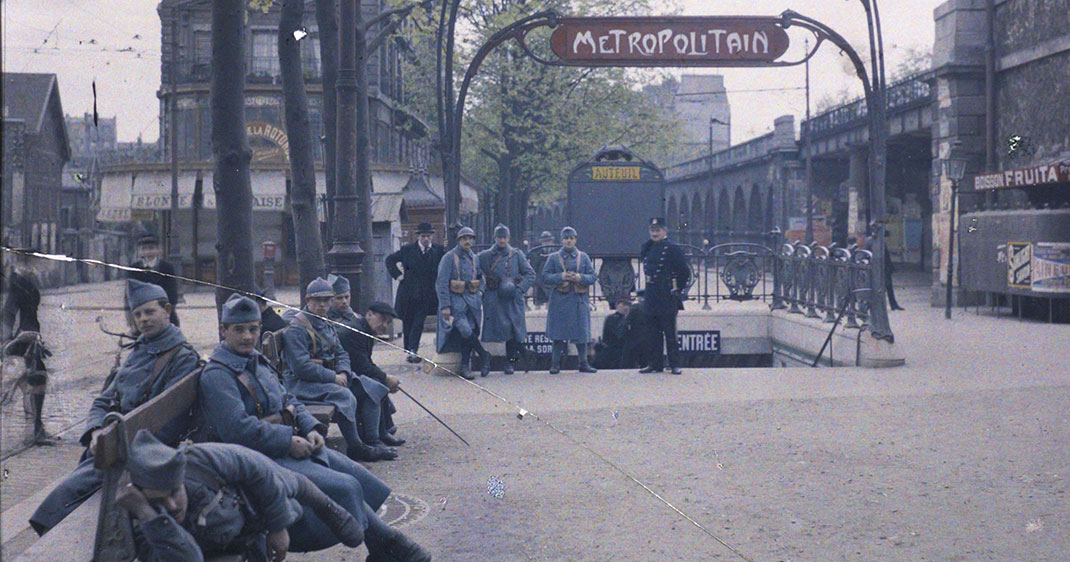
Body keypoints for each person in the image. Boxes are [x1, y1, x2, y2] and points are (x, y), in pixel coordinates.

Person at [195, 293, 430, 561]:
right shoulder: (218, 374)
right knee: (345, 486)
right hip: (254, 457)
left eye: (253, 329)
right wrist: (288, 441)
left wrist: (311, 428)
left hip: (278, 444)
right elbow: (237, 430)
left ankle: (388, 546)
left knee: (355, 473)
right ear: (223, 331)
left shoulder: (254, 360)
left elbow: (287, 398)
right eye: (239, 330)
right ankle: (391, 545)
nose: (248, 336)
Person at [30, 279, 201, 535]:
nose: (143, 320)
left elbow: (169, 423)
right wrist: (96, 431)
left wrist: (116, 443)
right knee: (65, 496)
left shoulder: (181, 357)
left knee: (66, 497)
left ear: (167, 311)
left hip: (139, 452)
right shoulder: (141, 349)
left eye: (150, 312)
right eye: (138, 314)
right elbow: (103, 400)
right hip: (112, 444)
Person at [117, 429, 365, 561]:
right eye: (158, 500)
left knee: (285, 481)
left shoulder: (199, 460)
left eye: (174, 492)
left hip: (246, 502)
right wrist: (152, 517)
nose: (170, 505)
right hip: (232, 531)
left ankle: (324, 504)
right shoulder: (143, 517)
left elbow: (255, 467)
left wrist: (278, 527)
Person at [280, 278, 396, 462]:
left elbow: (341, 353)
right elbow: (301, 367)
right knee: (344, 396)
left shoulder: (324, 322)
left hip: (326, 378)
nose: (322, 305)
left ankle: (373, 441)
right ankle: (356, 447)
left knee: (373, 387)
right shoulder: (297, 328)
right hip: (301, 384)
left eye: (326, 300)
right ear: (308, 300)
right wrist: (332, 377)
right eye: (317, 301)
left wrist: (343, 372)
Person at [328, 275, 406, 448]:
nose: (385, 326)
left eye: (388, 322)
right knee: (374, 386)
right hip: (335, 375)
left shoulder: (363, 327)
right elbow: (362, 365)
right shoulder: (355, 330)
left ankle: (383, 432)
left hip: (346, 372)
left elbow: (365, 363)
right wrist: (386, 378)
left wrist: (384, 377)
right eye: (382, 320)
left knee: (377, 381)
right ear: (369, 314)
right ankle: (373, 439)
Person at [477, 224, 536, 375]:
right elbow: (474, 267)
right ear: (495, 238)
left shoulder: (516, 254)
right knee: (504, 331)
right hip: (495, 299)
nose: (502, 240)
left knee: (513, 331)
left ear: (508, 238)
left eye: (504, 237)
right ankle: (524, 354)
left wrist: (520, 289)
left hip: (512, 298)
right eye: (499, 237)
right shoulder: (485, 256)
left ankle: (511, 363)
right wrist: (482, 286)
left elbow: (530, 274)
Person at [435, 226, 490, 379]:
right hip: (455, 303)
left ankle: (466, 367)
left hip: (472, 303)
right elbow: (441, 283)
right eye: (464, 238)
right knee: (465, 330)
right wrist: (445, 305)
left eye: (470, 238)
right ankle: (484, 355)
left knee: (469, 332)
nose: (467, 241)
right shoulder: (449, 257)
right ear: (459, 240)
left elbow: (481, 278)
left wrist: (480, 292)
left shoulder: (474, 258)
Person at [541, 226, 597, 374]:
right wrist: (562, 277)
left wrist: (580, 277)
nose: (569, 241)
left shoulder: (583, 257)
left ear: (575, 240)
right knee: (558, 335)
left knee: (582, 334)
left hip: (579, 299)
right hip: (560, 300)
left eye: (571, 238)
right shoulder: (553, 258)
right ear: (562, 240)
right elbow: (545, 277)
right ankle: (555, 364)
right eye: (566, 238)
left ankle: (583, 363)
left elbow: (593, 277)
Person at [386, 222, 445, 363]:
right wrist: (398, 276)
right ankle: (409, 349)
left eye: (428, 236)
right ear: (418, 236)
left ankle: (413, 350)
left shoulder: (438, 251)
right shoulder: (408, 250)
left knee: (418, 322)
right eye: (423, 236)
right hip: (408, 293)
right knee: (408, 321)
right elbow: (389, 260)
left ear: (432, 236)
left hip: (426, 295)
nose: (426, 239)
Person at [639, 217, 691, 375]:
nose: (654, 233)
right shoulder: (647, 247)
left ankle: (674, 364)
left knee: (669, 332)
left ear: (665, 231)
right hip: (652, 295)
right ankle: (655, 364)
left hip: (666, 294)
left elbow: (684, 271)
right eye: (652, 230)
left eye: (658, 230)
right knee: (652, 333)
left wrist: (678, 289)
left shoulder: (672, 248)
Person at [126, 233, 181, 328]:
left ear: (158, 250)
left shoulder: (166, 267)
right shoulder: (133, 269)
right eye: (144, 249)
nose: (148, 252)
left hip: (164, 313)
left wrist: (166, 312)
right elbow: (129, 296)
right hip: (142, 315)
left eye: (151, 248)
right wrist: (132, 320)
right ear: (139, 252)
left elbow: (172, 293)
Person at [593, 296, 637, 370]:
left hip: (625, 351)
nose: (626, 308)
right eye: (623, 305)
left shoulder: (631, 318)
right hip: (612, 352)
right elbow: (619, 334)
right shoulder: (612, 318)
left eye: (628, 305)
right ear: (618, 306)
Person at [530, 231, 556, 309]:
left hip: (552, 281)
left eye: (548, 241)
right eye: (545, 241)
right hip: (540, 281)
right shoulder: (537, 252)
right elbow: (534, 267)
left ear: (552, 241)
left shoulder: (556, 252)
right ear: (541, 242)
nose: (547, 243)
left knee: (550, 304)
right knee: (538, 305)